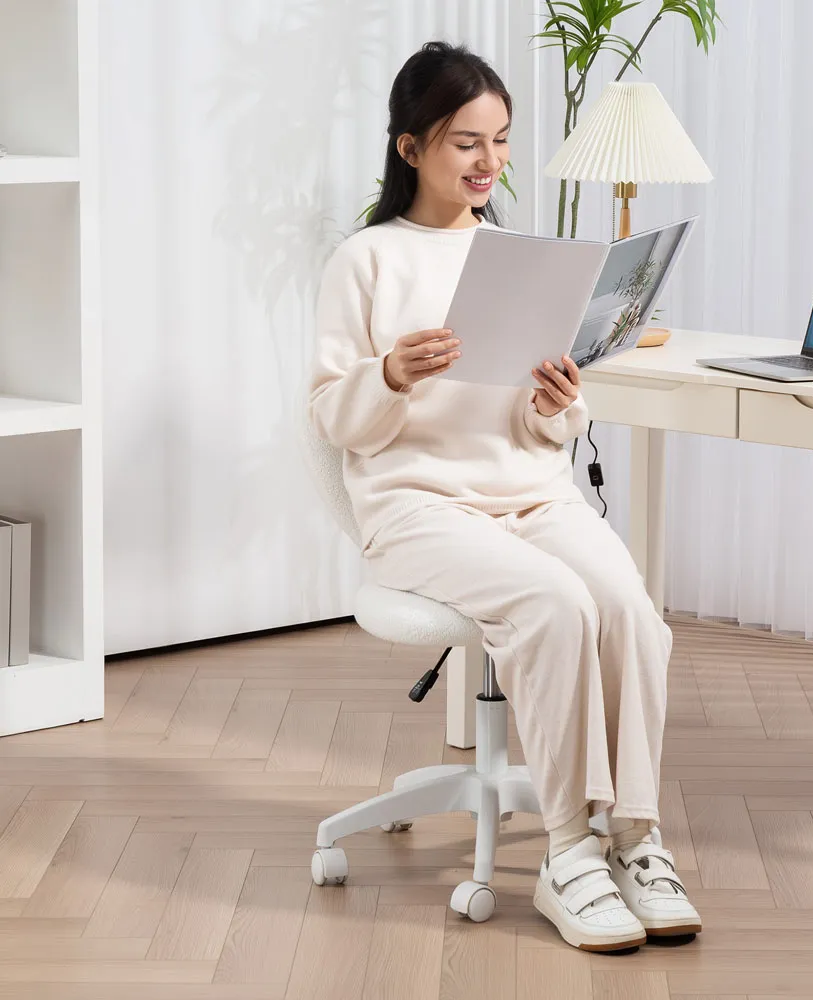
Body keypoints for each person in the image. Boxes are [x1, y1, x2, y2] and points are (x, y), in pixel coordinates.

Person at [307, 41, 699, 953]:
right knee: (555, 605)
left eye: (502, 142)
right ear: (410, 149)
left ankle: (635, 837)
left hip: (530, 492)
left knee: (631, 612)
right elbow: (334, 415)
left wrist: (561, 408)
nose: (488, 163)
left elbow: (538, 420)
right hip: (419, 507)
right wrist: (390, 374)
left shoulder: (520, 258)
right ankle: (570, 853)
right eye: (464, 144)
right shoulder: (365, 261)